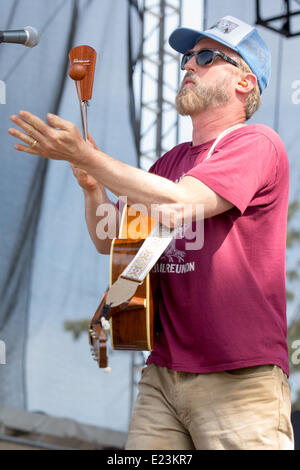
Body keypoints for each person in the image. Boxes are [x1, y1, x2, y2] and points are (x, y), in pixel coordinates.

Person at [8, 15, 294, 450]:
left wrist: (92, 157)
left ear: (245, 82)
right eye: (186, 58)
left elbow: (182, 204)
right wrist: (92, 186)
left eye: (205, 57)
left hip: (239, 377)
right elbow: (111, 240)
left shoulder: (257, 143)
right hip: (163, 373)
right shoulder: (171, 161)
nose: (188, 67)